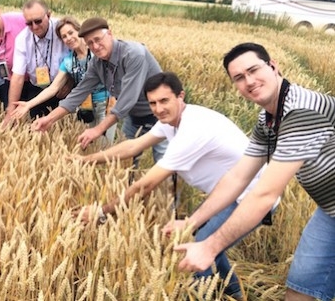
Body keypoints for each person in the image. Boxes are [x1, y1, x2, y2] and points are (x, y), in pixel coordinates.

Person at [74, 71, 274, 299]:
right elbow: (133, 146)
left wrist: (101, 212)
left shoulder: (193, 129)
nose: (158, 109)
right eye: (153, 103)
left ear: (181, 96)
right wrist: (86, 160)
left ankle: (202, 295)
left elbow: (145, 185)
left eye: (164, 101)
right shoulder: (171, 121)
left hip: (252, 197)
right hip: (229, 194)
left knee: (200, 246)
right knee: (208, 241)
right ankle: (235, 292)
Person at [172, 42, 335, 301]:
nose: (249, 81)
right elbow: (238, 177)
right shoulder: (268, 118)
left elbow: (265, 194)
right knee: (301, 289)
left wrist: (209, 248)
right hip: (330, 211)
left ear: (273, 67)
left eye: (253, 70)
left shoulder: (302, 111)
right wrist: (193, 222)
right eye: (239, 77)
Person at [32, 17, 165, 165]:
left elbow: (127, 99)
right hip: (134, 116)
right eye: (90, 43)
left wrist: (98, 129)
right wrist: (48, 119)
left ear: (109, 33)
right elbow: (79, 93)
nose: (95, 46)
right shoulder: (97, 63)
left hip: (162, 114)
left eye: (98, 39)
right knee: (123, 163)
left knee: (166, 164)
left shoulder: (134, 54)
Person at [10, 16, 116, 144]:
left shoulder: (97, 51)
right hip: (84, 108)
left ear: (80, 31)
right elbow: (53, 88)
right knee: (89, 146)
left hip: (106, 105)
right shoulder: (68, 61)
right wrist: (28, 104)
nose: (68, 38)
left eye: (71, 33)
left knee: (105, 146)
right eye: (64, 36)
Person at [4, 0, 68, 122]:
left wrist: (70, 82)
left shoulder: (63, 30)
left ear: (48, 15)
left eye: (38, 21)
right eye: (29, 23)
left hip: (63, 87)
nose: (34, 27)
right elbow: (17, 77)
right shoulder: (22, 39)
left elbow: (80, 55)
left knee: (68, 122)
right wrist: (10, 112)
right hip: (39, 87)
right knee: (36, 121)